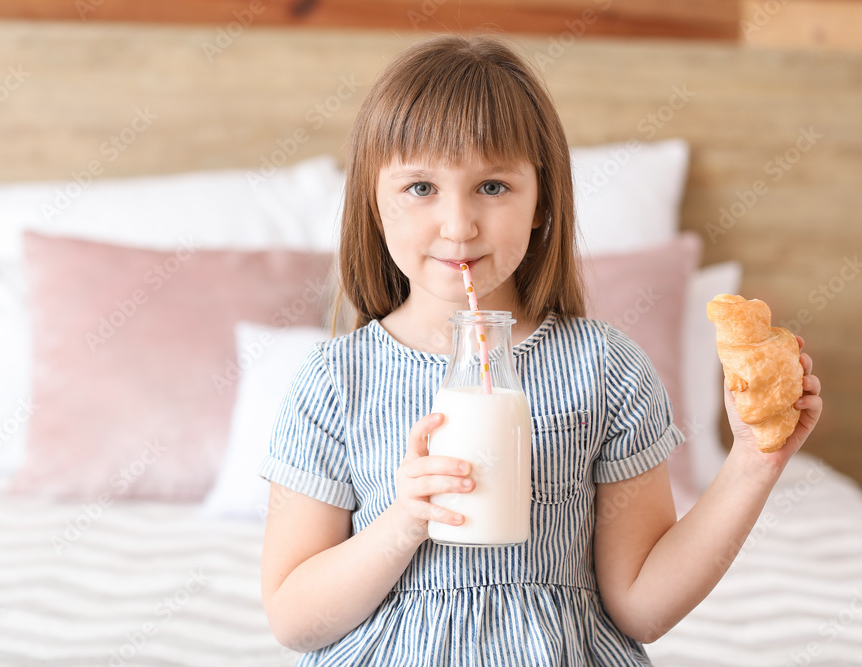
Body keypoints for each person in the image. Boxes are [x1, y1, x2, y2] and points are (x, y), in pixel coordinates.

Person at [256, 33, 823, 666]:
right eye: (420, 188)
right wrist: (403, 523)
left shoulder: (605, 370)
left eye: (493, 187)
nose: (458, 224)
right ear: (373, 200)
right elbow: (293, 618)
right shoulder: (335, 382)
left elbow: (642, 606)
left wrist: (753, 463)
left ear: (540, 202)